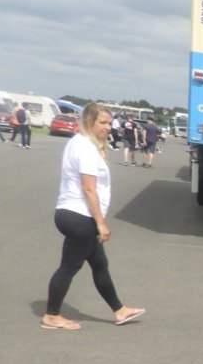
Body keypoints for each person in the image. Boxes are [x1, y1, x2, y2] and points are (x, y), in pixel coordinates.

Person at [40, 102, 144, 331]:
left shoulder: (78, 143)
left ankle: (119, 310)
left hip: (72, 213)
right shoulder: (86, 147)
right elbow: (89, 189)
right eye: (103, 123)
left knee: (99, 264)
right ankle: (52, 315)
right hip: (79, 215)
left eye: (109, 123)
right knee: (69, 267)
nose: (108, 127)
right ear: (89, 122)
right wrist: (100, 223)